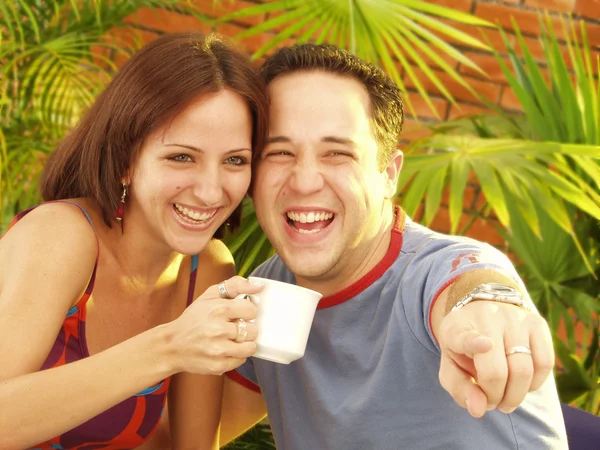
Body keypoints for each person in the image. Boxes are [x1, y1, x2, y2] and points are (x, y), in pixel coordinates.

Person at [220, 44, 569, 449]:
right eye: (279, 152)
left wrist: (486, 309)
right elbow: (182, 436)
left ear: (388, 174)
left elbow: (472, 285)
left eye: (337, 153)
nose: (304, 181)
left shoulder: (435, 270)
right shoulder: (269, 291)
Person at [0, 33, 268, 450]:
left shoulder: (208, 270)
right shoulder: (62, 235)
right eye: (182, 156)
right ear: (125, 160)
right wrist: (170, 346)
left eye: (235, 160)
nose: (212, 192)